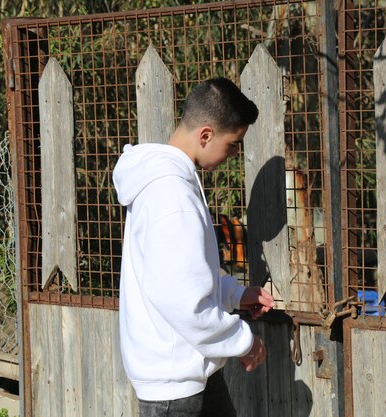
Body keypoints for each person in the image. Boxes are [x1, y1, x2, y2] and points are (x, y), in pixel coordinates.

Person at [113, 77, 275, 417]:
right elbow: (185, 302)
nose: (232, 155)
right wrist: (243, 341)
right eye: (232, 145)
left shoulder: (166, 183)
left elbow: (184, 271)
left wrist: (234, 294)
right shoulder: (173, 195)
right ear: (205, 135)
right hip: (173, 385)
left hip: (187, 367)